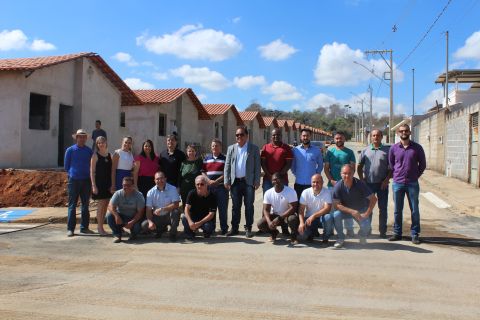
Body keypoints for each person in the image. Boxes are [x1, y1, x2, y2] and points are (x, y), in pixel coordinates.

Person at [388, 124, 426, 245]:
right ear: (398, 133)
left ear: (409, 132)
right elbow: (391, 164)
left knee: (414, 209)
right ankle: (397, 233)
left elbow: (423, 164)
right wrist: (396, 175)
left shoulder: (417, 148)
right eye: (401, 131)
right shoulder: (394, 148)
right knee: (397, 210)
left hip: (412, 183)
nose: (403, 133)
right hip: (398, 183)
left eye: (406, 131)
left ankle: (415, 234)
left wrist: (415, 176)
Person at [224, 126, 261, 238]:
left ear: (247, 136)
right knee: (235, 206)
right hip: (235, 182)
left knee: (249, 206)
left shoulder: (253, 148)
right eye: (237, 135)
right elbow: (227, 165)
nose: (239, 136)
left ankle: (248, 228)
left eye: (241, 134)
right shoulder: (231, 148)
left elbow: (257, 166)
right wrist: (226, 180)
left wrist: (257, 180)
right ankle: (234, 228)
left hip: (248, 182)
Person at [332, 165, 377, 249]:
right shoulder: (338, 186)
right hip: (346, 211)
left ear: (353, 173)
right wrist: (352, 211)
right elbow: (336, 205)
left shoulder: (360, 184)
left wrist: (367, 213)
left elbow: (373, 199)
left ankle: (362, 236)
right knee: (336, 215)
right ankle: (340, 238)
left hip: (360, 211)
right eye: (344, 173)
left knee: (366, 226)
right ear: (341, 174)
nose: (347, 176)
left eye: (349, 173)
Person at [358, 129, 391, 238]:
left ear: (382, 137)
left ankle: (383, 231)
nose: (375, 137)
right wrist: (361, 179)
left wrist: (386, 180)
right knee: (368, 208)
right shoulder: (365, 150)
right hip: (368, 184)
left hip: (382, 185)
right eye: (373, 135)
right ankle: (367, 230)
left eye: (378, 135)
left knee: (383, 208)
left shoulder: (387, 151)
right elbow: (359, 166)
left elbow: (391, 168)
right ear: (371, 137)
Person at [324, 132, 356, 237]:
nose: (338, 140)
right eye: (337, 138)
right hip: (332, 185)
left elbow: (352, 169)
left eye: (340, 138)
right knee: (332, 208)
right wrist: (332, 180)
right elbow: (326, 168)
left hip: (346, 185)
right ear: (334, 139)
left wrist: (346, 181)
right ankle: (331, 230)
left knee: (347, 207)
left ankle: (349, 230)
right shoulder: (330, 152)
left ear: (344, 139)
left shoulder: (350, 152)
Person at [64, 129, 93, 237]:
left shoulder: (89, 151)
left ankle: (84, 227)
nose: (81, 138)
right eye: (79, 137)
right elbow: (66, 166)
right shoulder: (70, 150)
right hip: (74, 181)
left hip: (86, 180)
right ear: (76, 138)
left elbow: (92, 165)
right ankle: (70, 229)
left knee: (85, 205)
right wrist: (72, 174)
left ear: (86, 138)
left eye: (83, 137)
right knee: (72, 205)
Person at [257, 173, 298, 243]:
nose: (275, 181)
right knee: (260, 224)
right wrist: (269, 222)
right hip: (275, 216)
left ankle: (293, 236)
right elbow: (266, 210)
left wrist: (280, 218)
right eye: (273, 180)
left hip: (287, 216)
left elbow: (293, 208)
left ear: (282, 180)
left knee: (293, 219)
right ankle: (274, 233)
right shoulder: (268, 193)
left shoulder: (291, 191)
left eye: (277, 179)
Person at [141, 171, 181, 242]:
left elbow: (176, 204)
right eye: (157, 179)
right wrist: (150, 222)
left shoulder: (172, 188)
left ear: (165, 179)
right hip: (157, 217)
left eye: (162, 178)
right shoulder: (150, 192)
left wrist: (163, 209)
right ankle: (160, 230)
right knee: (144, 225)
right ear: (154, 180)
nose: (160, 180)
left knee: (176, 212)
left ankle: (173, 234)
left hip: (169, 215)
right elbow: (148, 210)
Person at [202, 139, 229, 235]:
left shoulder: (225, 158)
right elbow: (203, 171)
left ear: (220, 147)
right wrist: (208, 181)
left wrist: (216, 181)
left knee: (222, 209)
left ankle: (224, 228)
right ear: (211, 147)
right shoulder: (206, 158)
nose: (215, 147)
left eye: (217, 146)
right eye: (213, 146)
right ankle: (211, 228)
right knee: (211, 209)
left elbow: (226, 173)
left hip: (221, 187)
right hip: (209, 188)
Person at [106, 176, 145, 243]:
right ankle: (117, 234)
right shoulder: (118, 193)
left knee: (137, 228)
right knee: (109, 216)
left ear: (133, 186)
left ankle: (134, 234)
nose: (126, 187)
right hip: (121, 217)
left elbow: (140, 212)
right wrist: (116, 216)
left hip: (133, 217)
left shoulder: (139, 195)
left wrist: (132, 222)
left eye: (128, 185)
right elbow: (110, 206)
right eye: (124, 185)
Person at [297, 174, 334, 243]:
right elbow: (301, 210)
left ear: (322, 183)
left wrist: (314, 216)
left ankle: (325, 237)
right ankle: (312, 233)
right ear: (311, 183)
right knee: (302, 238)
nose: (315, 184)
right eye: (313, 182)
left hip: (321, 218)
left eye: (318, 182)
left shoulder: (327, 192)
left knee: (328, 217)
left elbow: (327, 208)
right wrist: (301, 223)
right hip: (309, 219)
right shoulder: (305, 192)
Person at [291, 128, 323, 201]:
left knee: (312, 205)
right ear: (301, 137)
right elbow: (292, 165)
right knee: (298, 205)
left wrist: (316, 175)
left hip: (312, 184)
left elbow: (320, 165)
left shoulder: (317, 150)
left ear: (310, 136)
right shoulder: (295, 150)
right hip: (299, 182)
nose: (305, 137)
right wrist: (296, 174)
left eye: (307, 136)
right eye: (304, 136)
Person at [182, 175, 217, 240]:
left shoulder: (212, 196)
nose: (199, 186)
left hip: (205, 220)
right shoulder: (191, 193)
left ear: (206, 184)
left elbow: (211, 214)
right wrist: (190, 222)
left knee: (208, 226)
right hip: (194, 218)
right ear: (195, 185)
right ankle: (190, 233)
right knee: (184, 217)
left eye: (202, 184)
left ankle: (206, 233)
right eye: (197, 184)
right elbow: (186, 209)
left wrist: (199, 223)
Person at [90, 136, 112, 235]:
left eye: (102, 142)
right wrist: (94, 185)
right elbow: (92, 172)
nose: (100, 144)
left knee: (106, 205)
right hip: (99, 183)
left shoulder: (109, 155)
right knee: (101, 205)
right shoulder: (95, 156)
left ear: (106, 143)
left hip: (108, 183)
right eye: (98, 143)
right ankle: (99, 228)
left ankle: (102, 227)